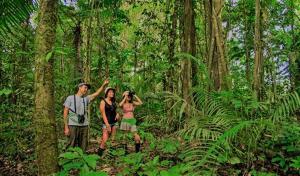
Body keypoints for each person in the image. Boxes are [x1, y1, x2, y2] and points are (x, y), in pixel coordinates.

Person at [63, 79, 109, 152]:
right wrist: (66, 127)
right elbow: (65, 112)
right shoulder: (70, 98)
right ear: (79, 87)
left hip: (84, 125)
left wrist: (103, 85)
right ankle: (68, 160)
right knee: (71, 144)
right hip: (73, 125)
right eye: (85, 87)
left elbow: (96, 93)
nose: (86, 89)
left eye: (87, 88)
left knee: (83, 145)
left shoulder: (86, 99)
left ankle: (82, 160)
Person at [98, 87, 119, 156]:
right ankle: (99, 155)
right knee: (105, 140)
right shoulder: (103, 101)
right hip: (106, 123)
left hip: (114, 123)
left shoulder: (113, 102)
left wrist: (117, 114)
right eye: (110, 92)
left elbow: (116, 110)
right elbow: (103, 114)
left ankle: (110, 155)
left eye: (112, 92)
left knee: (112, 139)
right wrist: (107, 125)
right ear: (106, 93)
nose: (112, 93)